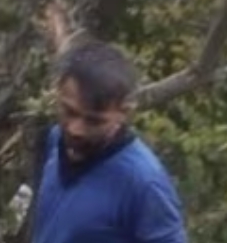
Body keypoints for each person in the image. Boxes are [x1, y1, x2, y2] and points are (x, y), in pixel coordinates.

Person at [30, 39, 187, 243]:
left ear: (124, 113)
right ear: (57, 92)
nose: (75, 129)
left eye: (94, 121)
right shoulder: (56, 138)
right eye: (69, 112)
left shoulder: (144, 182)